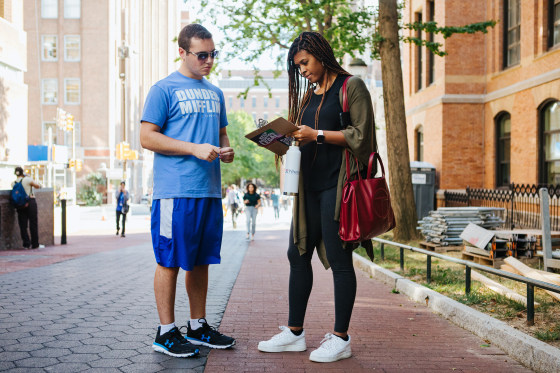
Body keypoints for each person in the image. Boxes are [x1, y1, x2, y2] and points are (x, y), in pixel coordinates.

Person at [257, 32, 377, 363]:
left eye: (306, 63)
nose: (303, 71)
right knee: (297, 254)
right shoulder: (309, 95)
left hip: (338, 187)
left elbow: (363, 137)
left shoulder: (351, 87)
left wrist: (318, 134)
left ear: (322, 55)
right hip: (306, 186)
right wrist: (279, 139)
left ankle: (341, 338)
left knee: (339, 259)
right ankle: (295, 333)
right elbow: (300, 137)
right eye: (298, 67)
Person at [140, 23, 236, 358]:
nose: (209, 60)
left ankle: (197, 327)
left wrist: (226, 149)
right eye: (202, 55)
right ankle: (166, 332)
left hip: (208, 192)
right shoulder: (163, 89)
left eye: (213, 54)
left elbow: (221, 135)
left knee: (200, 261)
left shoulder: (216, 93)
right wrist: (193, 148)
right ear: (182, 52)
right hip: (174, 192)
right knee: (169, 260)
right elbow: (147, 137)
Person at [12, 167, 43, 249]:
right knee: (33, 223)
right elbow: (38, 186)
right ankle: (35, 244)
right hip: (30, 202)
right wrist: (28, 176)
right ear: (23, 172)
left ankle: (26, 244)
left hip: (20, 205)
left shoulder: (13, 183)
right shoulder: (27, 179)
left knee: (23, 225)